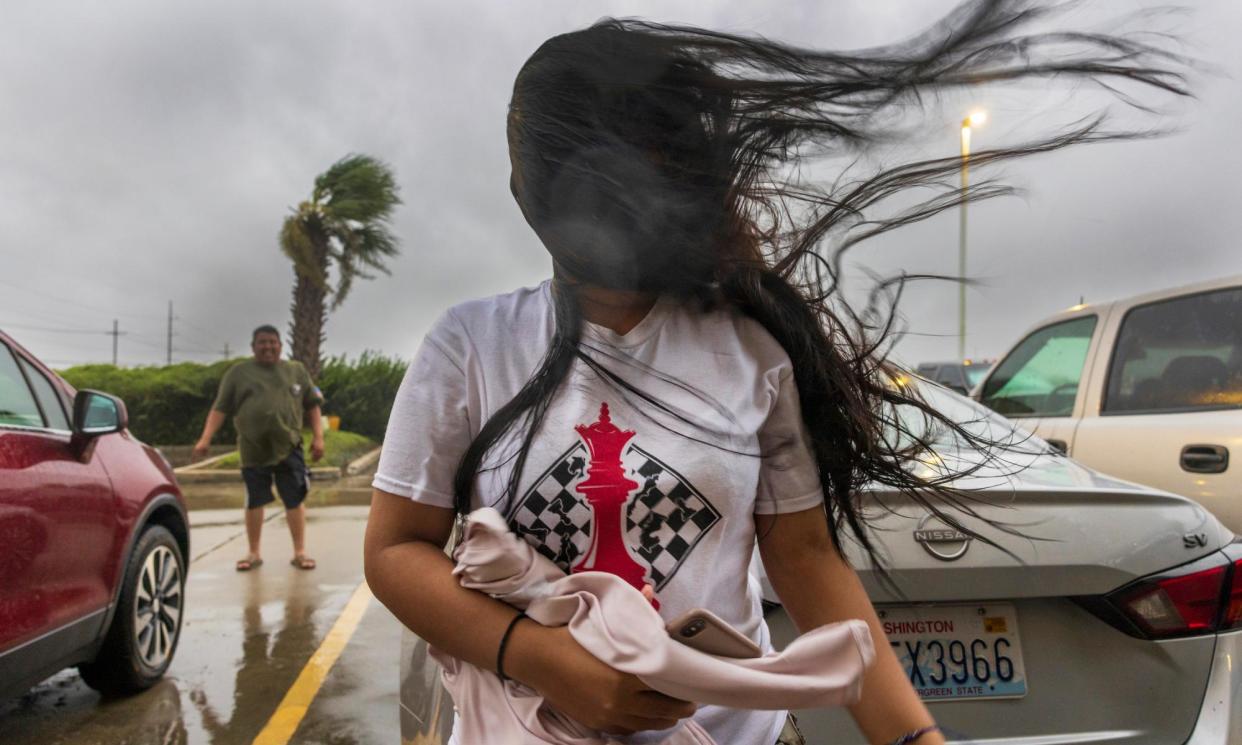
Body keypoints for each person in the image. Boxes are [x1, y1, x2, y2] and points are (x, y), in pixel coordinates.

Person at [364, 3, 1188, 743]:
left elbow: (804, 560)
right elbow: (396, 549)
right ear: (531, 193)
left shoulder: (750, 350)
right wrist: (540, 657)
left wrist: (914, 739)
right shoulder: (469, 346)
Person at [194, 325, 325, 571]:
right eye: (262, 342)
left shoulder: (295, 370)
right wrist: (205, 438)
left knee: (294, 499)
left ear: (280, 345)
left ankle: (300, 552)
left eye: (272, 342)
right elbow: (220, 408)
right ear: (253, 347)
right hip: (253, 448)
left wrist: (319, 438)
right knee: (254, 500)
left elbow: (313, 406)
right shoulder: (238, 373)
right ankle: (253, 552)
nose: (268, 347)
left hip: (289, 446)